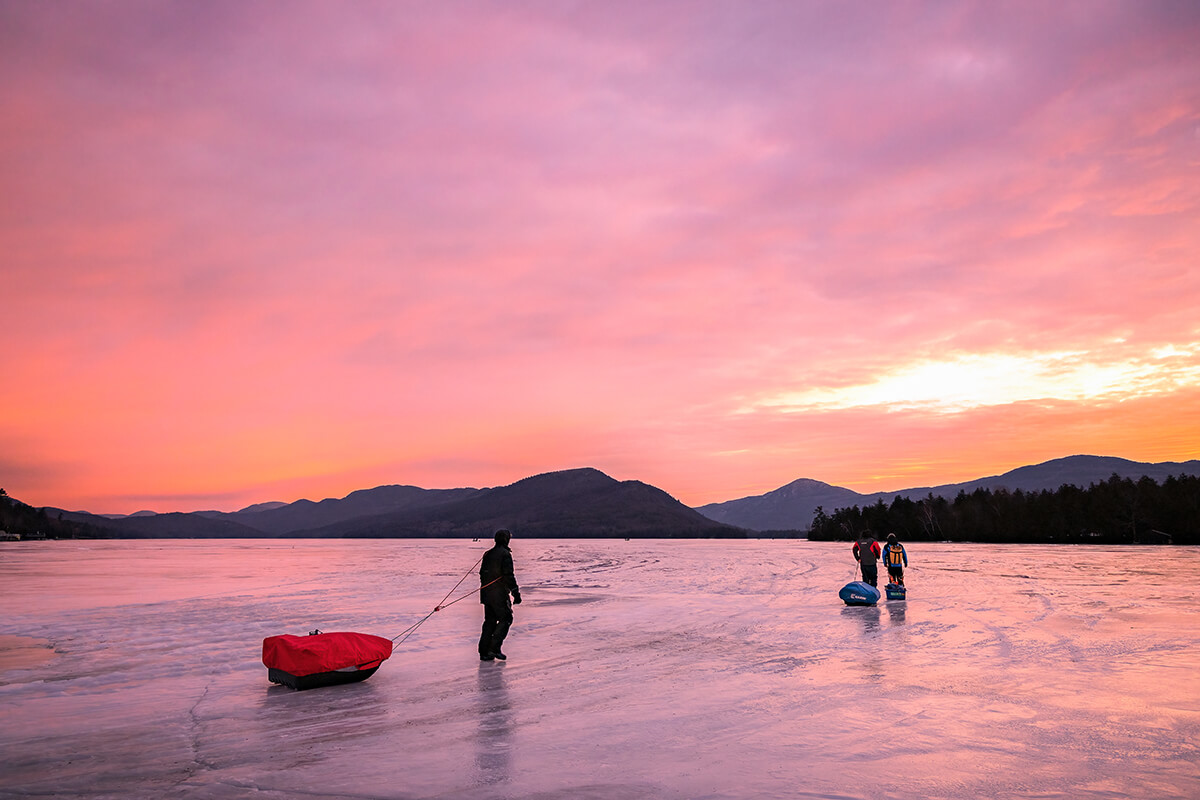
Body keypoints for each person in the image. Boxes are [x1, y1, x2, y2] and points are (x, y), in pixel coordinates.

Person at [479, 529, 521, 662]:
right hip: (499, 594)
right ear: (506, 539)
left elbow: (482, 574)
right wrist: (516, 593)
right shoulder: (505, 554)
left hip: (487, 594)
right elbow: (509, 575)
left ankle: (484, 651)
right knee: (506, 618)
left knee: (490, 621)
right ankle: (494, 648)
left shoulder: (488, 554)